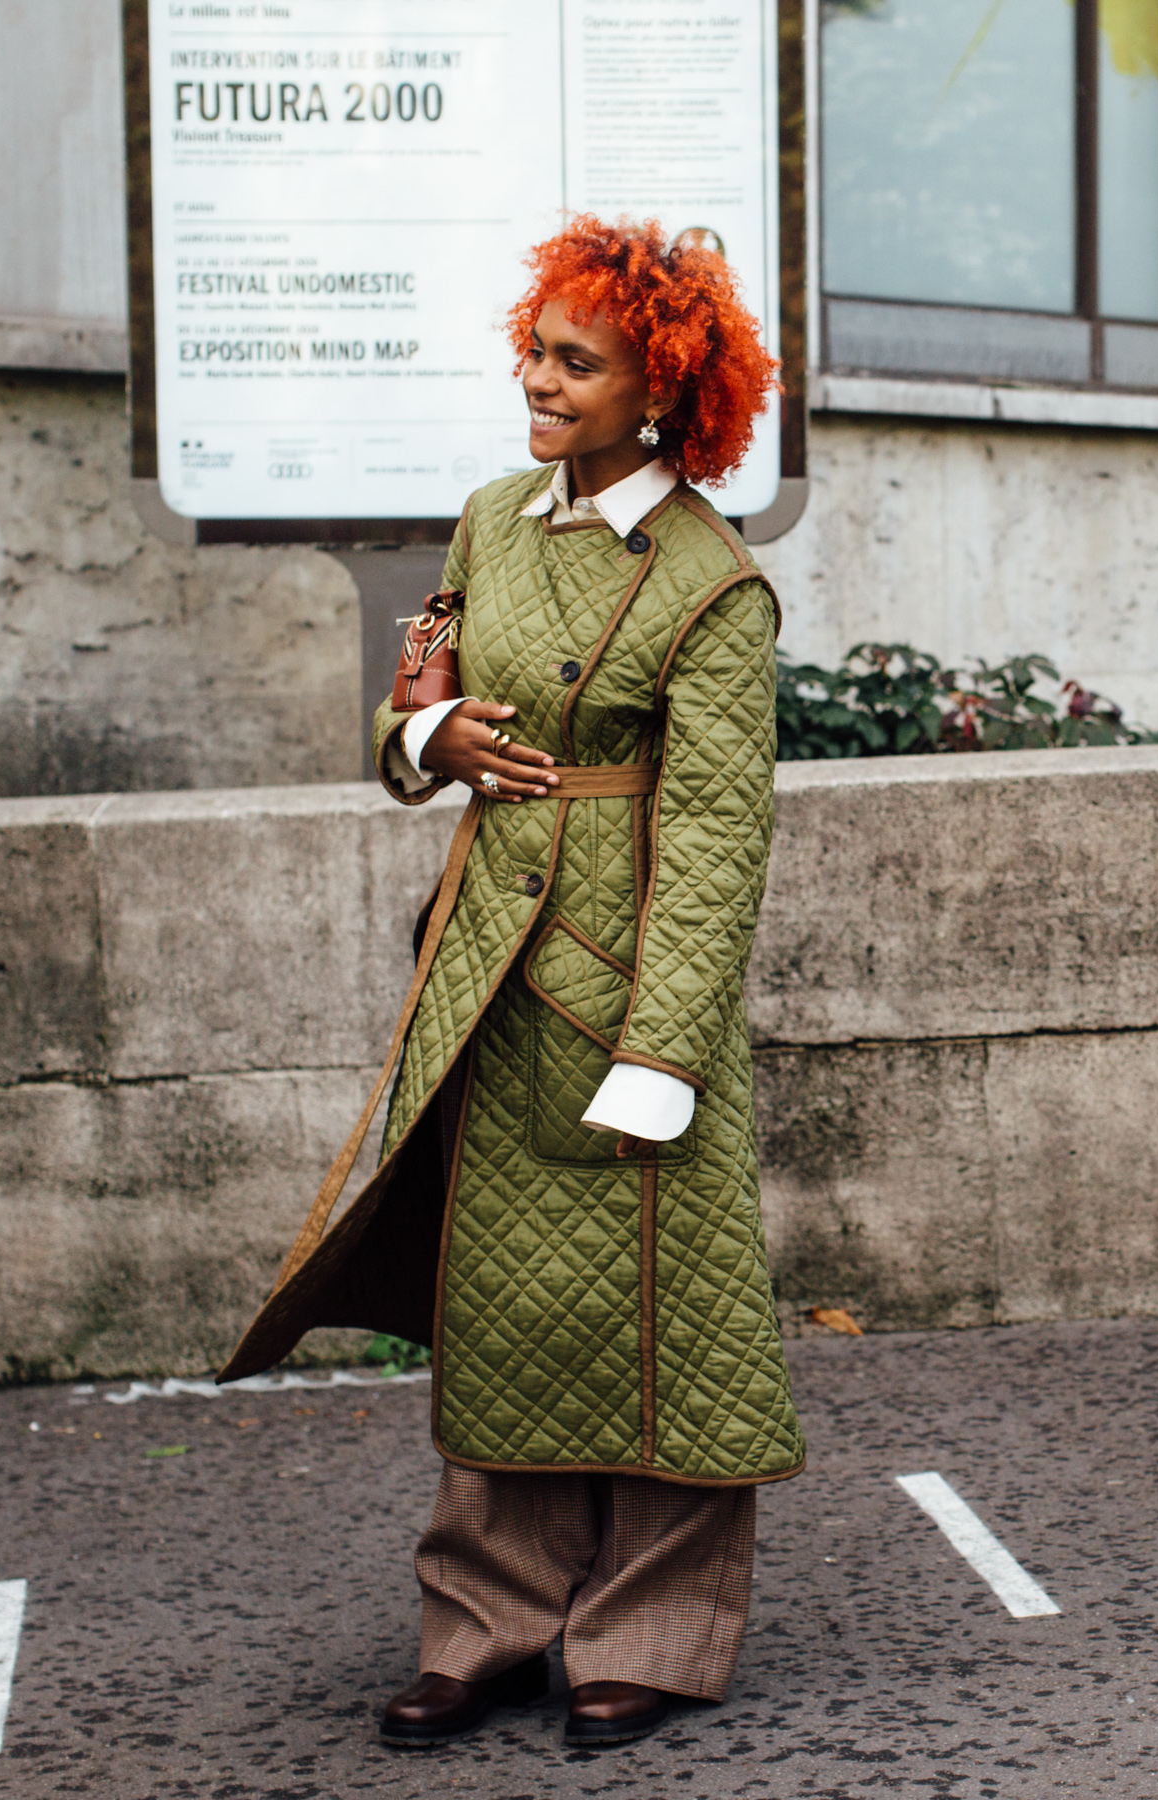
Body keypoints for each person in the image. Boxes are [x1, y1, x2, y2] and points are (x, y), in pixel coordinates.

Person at [218, 214, 796, 1754]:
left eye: (573, 360)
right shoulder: (489, 518)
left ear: (661, 390)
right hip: (486, 975)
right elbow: (413, 720)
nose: (534, 377)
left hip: (628, 995)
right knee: (503, 1309)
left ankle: (652, 1633)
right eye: (533, 349)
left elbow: (721, 834)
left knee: (664, 1317)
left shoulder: (713, 587)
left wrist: (665, 1048)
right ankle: (484, 1623)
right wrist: (432, 742)